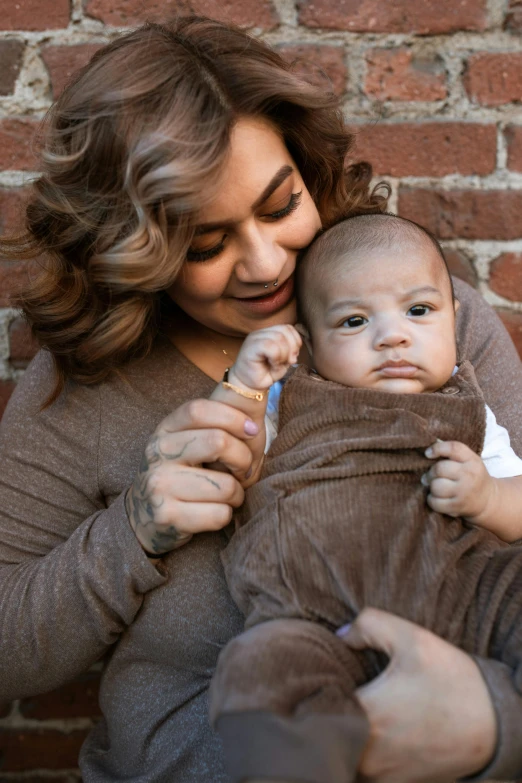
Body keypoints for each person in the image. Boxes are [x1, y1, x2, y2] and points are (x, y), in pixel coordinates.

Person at [0, 15, 520, 783]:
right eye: (205, 244)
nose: (266, 262)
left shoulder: (421, 328)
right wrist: (135, 528)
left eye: (280, 206)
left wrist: (497, 722)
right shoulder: (84, 390)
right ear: (135, 246)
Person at [207, 213, 522, 783]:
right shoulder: (290, 402)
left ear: (456, 319)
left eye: (419, 311)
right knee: (257, 671)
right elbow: (227, 454)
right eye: (354, 321)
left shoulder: (473, 413)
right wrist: (246, 384)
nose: (393, 335)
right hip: (314, 618)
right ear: (309, 345)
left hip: (467, 598)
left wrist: (488, 495)